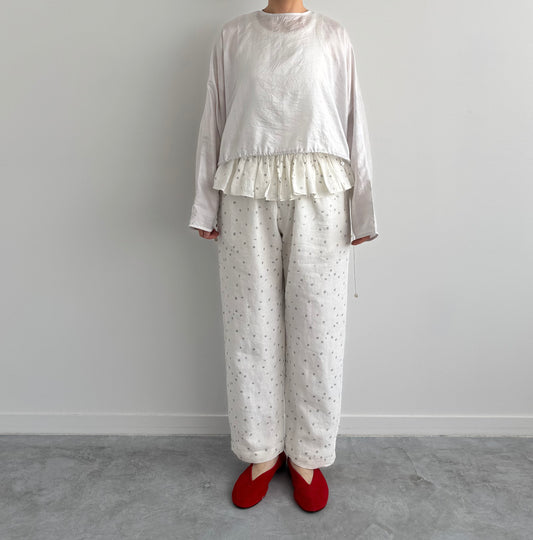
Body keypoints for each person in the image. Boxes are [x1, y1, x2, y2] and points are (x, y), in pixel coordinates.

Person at [189, 0, 378, 512]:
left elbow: (354, 120)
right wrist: (205, 204)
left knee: (318, 327)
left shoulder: (334, 36)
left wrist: (362, 210)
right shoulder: (233, 36)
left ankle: (308, 454)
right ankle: (261, 451)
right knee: (249, 326)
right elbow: (214, 117)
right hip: (245, 192)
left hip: (321, 195)